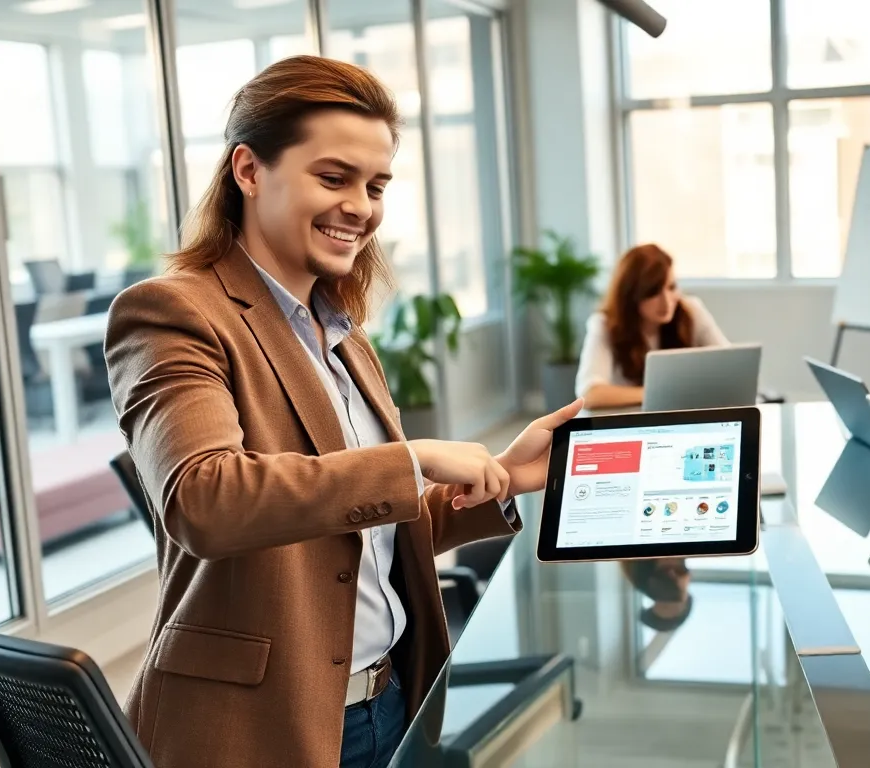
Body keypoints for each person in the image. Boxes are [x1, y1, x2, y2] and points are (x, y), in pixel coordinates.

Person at [105, 56, 580, 768]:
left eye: (376, 185)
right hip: (257, 726)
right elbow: (205, 499)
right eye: (333, 177)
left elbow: (367, 529)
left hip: (391, 698)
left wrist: (504, 479)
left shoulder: (344, 334)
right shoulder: (174, 311)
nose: (361, 205)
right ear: (249, 169)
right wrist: (414, 459)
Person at [575, 244, 729, 409]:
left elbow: (731, 365)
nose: (667, 301)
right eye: (653, 292)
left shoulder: (690, 311)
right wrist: (665, 393)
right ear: (631, 294)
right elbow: (590, 394)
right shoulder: (605, 324)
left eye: (671, 287)